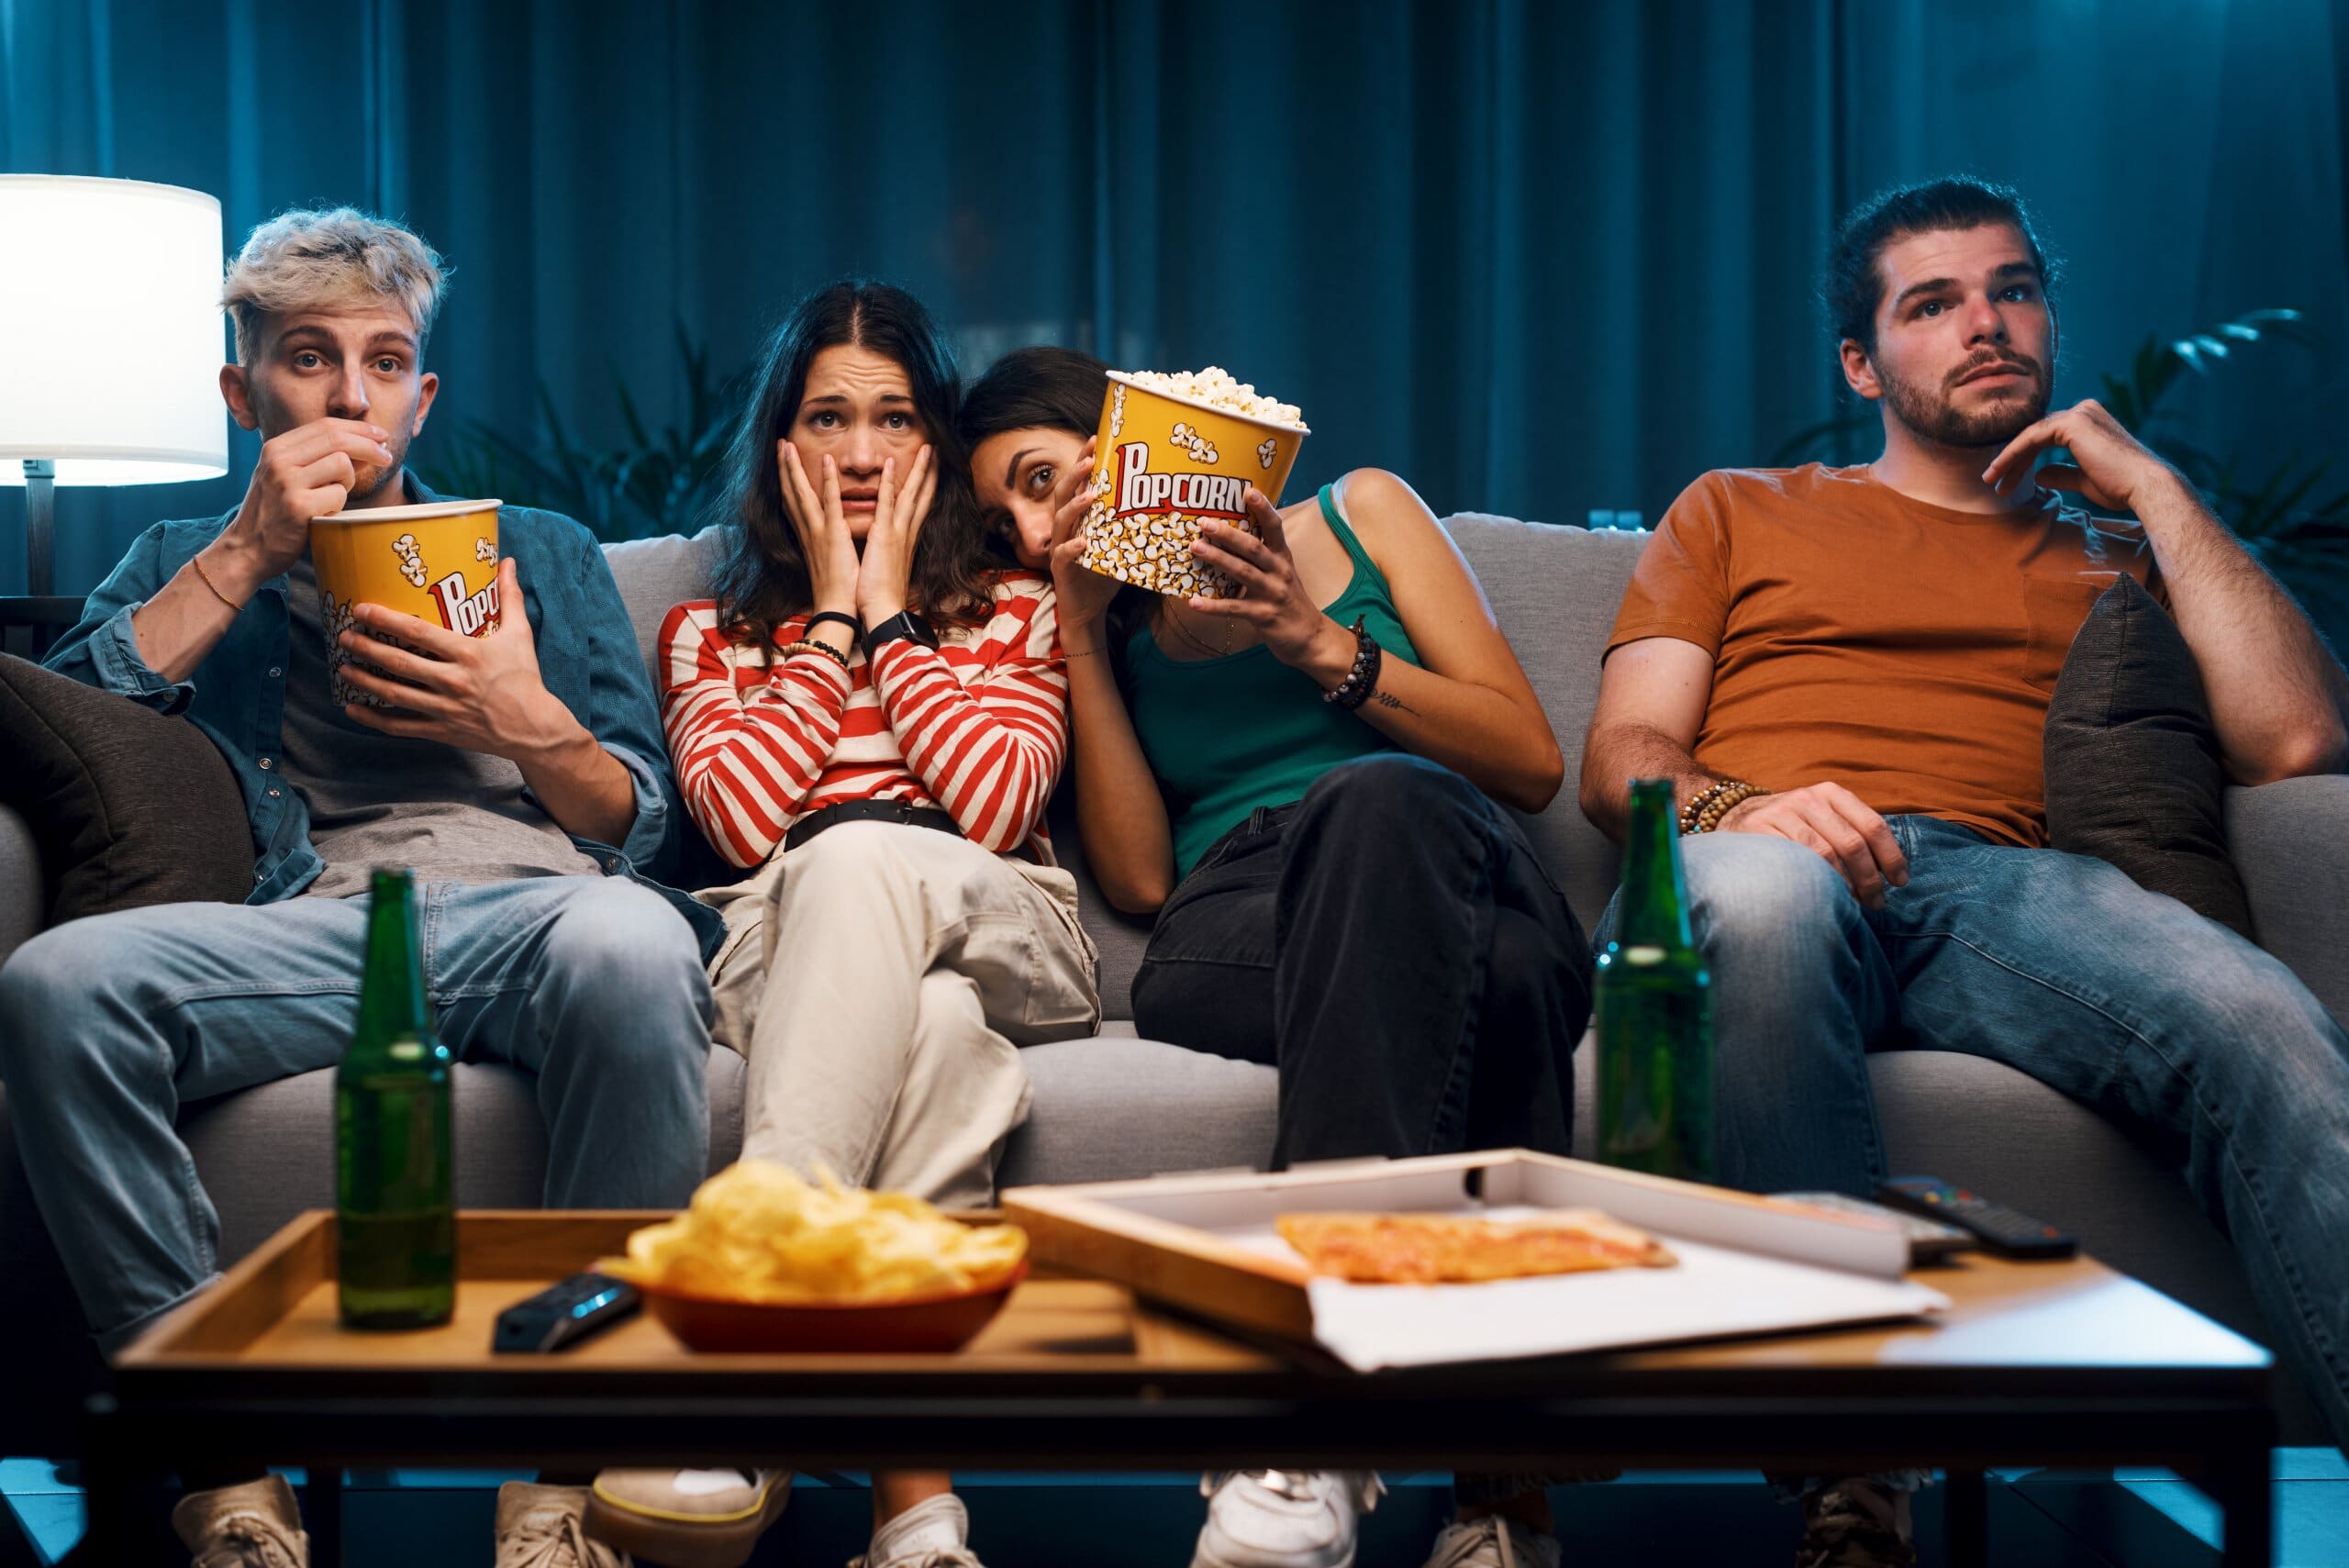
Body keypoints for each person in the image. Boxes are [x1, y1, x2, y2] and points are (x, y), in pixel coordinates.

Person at [1580, 176, 2349, 1567]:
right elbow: (1623, 758)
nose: (1985, 323)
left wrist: (2159, 490)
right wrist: (1758, 808)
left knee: (2254, 1013)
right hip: (1756, 862)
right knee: (1758, 898)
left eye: (2012, 290)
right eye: (1931, 303)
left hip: (2003, 891)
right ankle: (1854, 1481)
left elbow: (2299, 739)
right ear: (1864, 364)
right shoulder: (1741, 511)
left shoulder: (2120, 548)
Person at [0, 208, 720, 1566]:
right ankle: (221, 1466)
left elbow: (645, 819)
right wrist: (252, 551)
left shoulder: (543, 547)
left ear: (421, 392)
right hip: (311, 926)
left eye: (383, 362)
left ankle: (560, 1478)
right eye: (308, 358)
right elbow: (77, 715)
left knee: (636, 947)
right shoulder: (181, 559)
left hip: (541, 915)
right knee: (52, 984)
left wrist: (521, 716)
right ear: (242, 390)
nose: (347, 394)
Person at [962, 346, 1594, 1568]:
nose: (1038, 526)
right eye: (1008, 517)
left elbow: (1527, 761)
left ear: (1122, 442)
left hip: (1447, 850)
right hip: (1238, 916)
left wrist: (1317, 645)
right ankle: (1500, 1499)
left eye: (1043, 479)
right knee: (1496, 979)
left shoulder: (1362, 512)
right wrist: (1084, 633)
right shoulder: (1108, 628)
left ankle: (1309, 1427)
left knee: (1383, 812)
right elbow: (1143, 883)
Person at [584, 284, 1097, 1568]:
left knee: (874, 852)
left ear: (935, 446)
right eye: (827, 419)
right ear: (782, 444)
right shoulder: (705, 628)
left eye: (893, 419)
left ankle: (744, 1316)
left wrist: (883, 618)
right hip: (781, 936)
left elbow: (992, 802)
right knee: (929, 1024)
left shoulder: (1021, 609)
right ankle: (915, 1514)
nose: (861, 455)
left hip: (1004, 910)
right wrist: (823, 619)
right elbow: (745, 823)